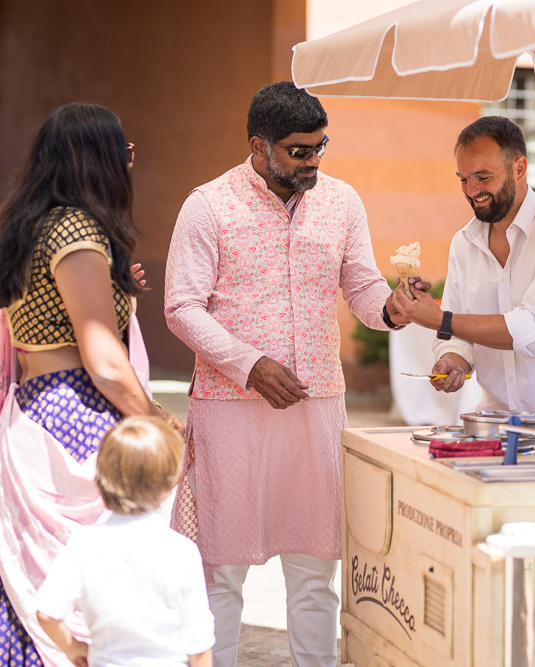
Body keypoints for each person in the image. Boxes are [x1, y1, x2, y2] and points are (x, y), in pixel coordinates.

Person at [164, 81, 412, 666]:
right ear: (259, 145)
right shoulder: (209, 205)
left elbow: (362, 287)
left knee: (313, 572)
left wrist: (393, 308)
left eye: (321, 146)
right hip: (229, 409)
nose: (314, 161)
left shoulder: (342, 201)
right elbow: (181, 307)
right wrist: (250, 366)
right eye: (300, 150)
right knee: (220, 571)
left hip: (315, 405)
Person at [0, 102, 180, 665]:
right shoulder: (77, 230)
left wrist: (115, 285)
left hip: (31, 412)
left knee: (31, 578)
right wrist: (151, 419)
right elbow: (103, 358)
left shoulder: (28, 223)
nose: (129, 161)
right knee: (92, 579)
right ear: (96, 159)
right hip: (74, 416)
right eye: (122, 150)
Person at [392, 116, 535, 418]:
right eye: (463, 179)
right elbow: (458, 336)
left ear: (519, 168)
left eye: (482, 177)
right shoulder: (463, 242)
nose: (471, 190)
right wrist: (453, 360)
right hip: (495, 423)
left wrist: (440, 319)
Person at [36, 416, 214, 667]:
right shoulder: (182, 551)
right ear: (168, 485)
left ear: (101, 480)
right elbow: (199, 645)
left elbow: (47, 613)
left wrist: (73, 648)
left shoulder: (85, 542)